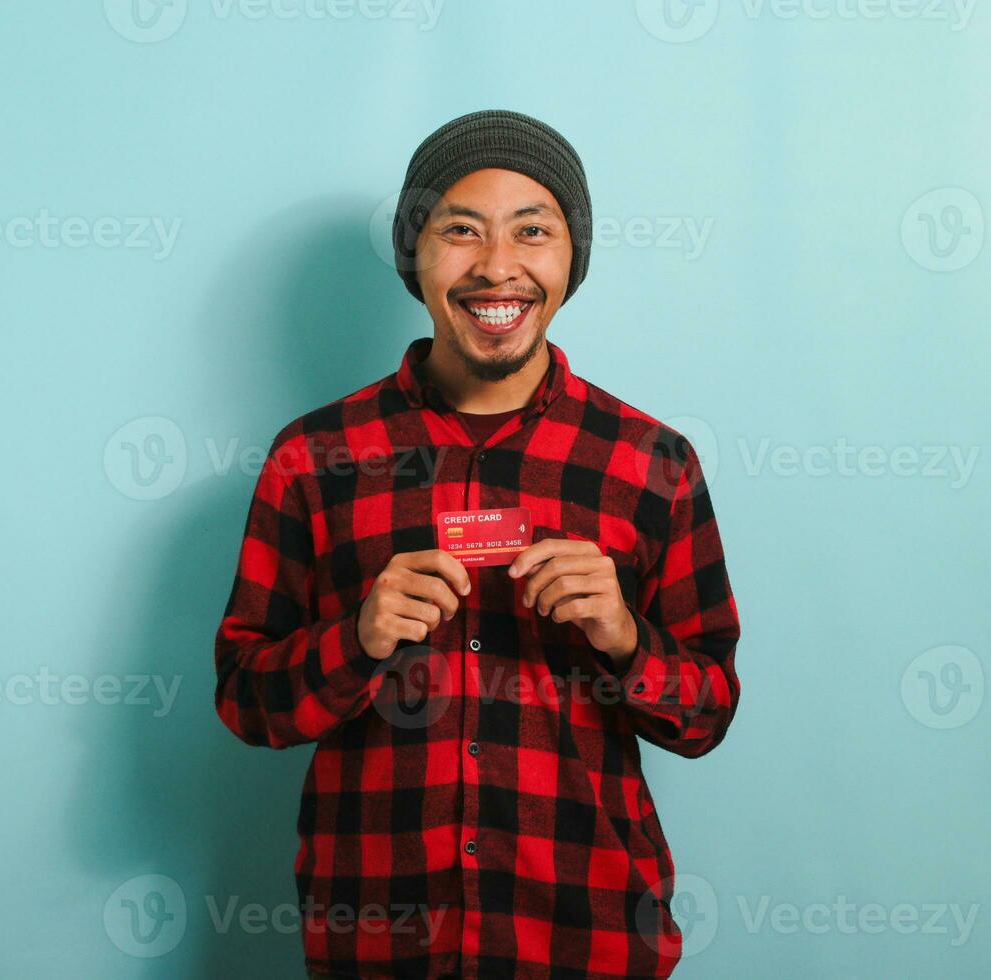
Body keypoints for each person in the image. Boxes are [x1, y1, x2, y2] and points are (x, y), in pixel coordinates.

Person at [214, 109, 742, 980]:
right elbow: (245, 703)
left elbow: (708, 712)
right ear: (414, 255)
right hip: (376, 944)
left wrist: (623, 637)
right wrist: (359, 637)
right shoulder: (313, 458)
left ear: (571, 258)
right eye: (460, 231)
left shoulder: (652, 464)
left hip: (587, 938)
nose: (498, 265)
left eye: (533, 230)